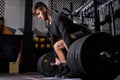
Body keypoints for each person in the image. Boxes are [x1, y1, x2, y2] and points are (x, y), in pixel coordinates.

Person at [32, 1, 92, 77]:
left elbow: (66, 36)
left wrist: (73, 60)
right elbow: (53, 42)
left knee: (62, 42)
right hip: (70, 37)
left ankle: (72, 69)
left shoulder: (58, 17)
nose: (39, 17)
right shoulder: (49, 25)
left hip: (82, 32)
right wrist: (56, 58)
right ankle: (66, 68)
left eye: (38, 13)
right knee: (56, 46)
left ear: (43, 9)